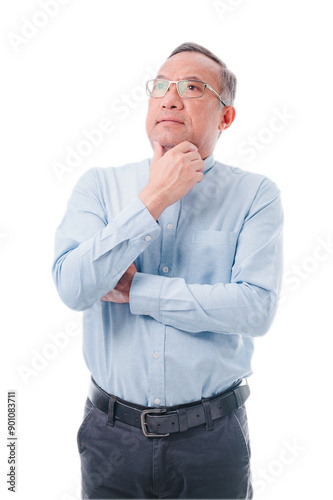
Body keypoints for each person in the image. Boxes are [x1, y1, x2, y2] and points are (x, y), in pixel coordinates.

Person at [52, 42, 283, 499]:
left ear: (226, 117)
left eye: (192, 87)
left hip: (212, 441)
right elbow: (73, 287)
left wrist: (139, 291)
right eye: (161, 85)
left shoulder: (256, 195)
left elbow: (255, 308)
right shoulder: (100, 186)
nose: (171, 97)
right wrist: (152, 199)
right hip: (110, 437)